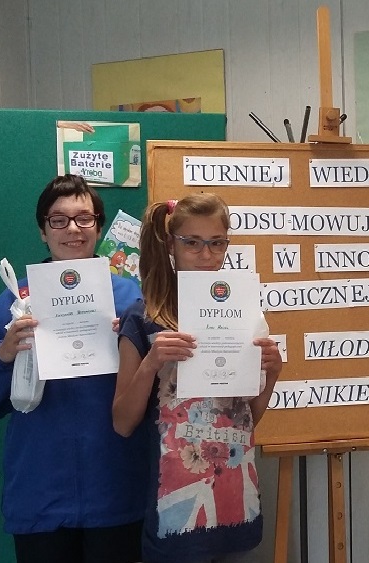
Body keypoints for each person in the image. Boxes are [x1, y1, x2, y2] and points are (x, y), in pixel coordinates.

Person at [0, 174, 148, 563]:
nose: (73, 229)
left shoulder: (133, 298)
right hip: (39, 494)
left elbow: (164, 393)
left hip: (115, 490)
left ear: (99, 226)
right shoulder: (14, 301)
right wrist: (3, 354)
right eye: (58, 220)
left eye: (84, 218)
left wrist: (134, 348)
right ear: (43, 231)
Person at [112, 193, 282, 563]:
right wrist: (151, 364)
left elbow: (245, 421)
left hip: (234, 495)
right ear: (170, 244)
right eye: (192, 243)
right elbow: (122, 423)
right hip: (174, 502)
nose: (206, 255)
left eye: (217, 243)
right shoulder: (143, 318)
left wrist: (272, 373)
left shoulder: (244, 312)